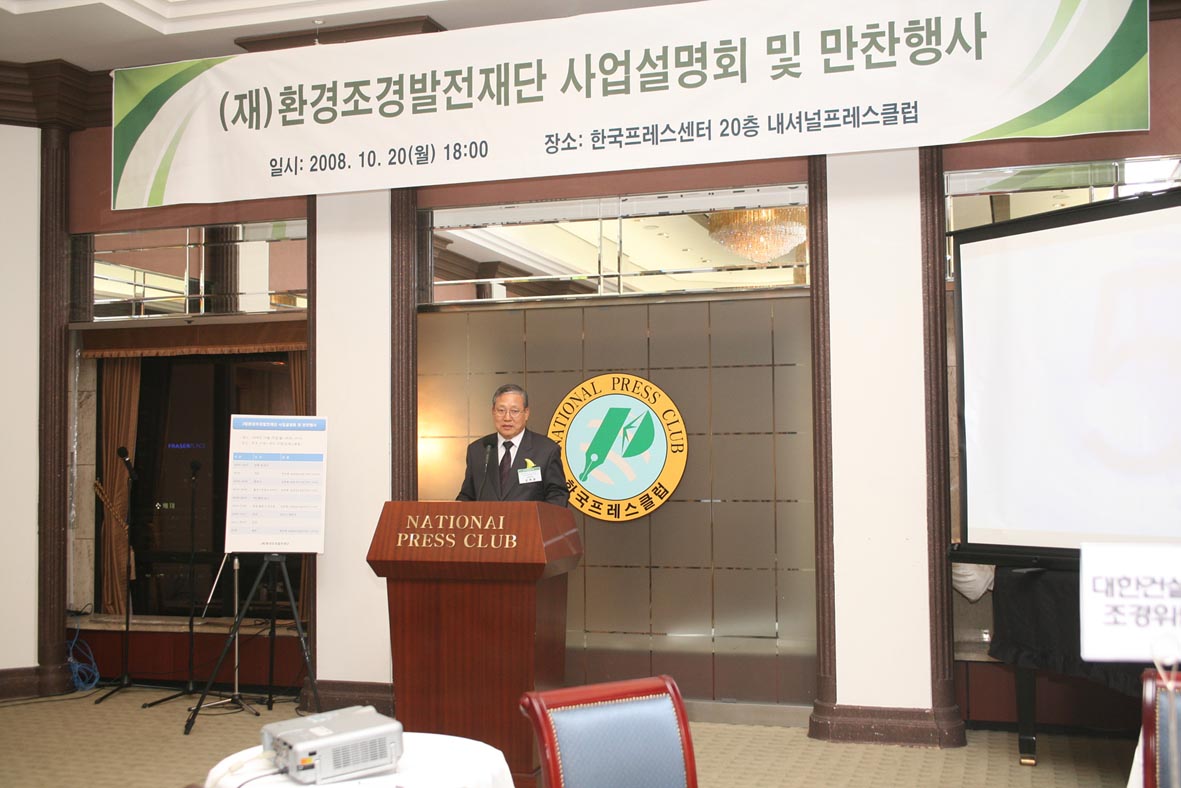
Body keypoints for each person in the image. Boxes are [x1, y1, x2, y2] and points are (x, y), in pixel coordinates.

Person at [457, 383, 569, 506]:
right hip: (488, 518)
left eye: (514, 411)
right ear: (493, 412)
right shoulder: (478, 450)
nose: (507, 418)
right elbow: (467, 496)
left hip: (528, 519)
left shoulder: (546, 450)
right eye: (501, 410)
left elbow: (558, 496)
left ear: (526, 413)